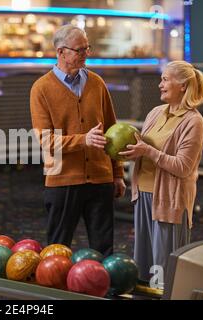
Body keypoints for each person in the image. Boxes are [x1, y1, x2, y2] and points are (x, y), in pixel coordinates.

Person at [30, 25, 125, 257]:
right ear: (61, 52)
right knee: (57, 250)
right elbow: (46, 140)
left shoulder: (97, 83)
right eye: (80, 50)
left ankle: (104, 292)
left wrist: (118, 174)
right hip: (63, 180)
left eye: (87, 48)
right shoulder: (41, 88)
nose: (86, 54)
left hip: (100, 178)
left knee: (104, 249)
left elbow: (113, 130)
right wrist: (84, 140)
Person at [119, 61, 203, 284]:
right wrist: (133, 153)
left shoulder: (193, 121)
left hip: (170, 200)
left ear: (183, 85)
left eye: (165, 79)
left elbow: (183, 167)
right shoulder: (155, 113)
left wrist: (148, 151)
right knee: (144, 265)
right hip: (143, 196)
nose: (160, 84)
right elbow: (144, 151)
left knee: (163, 269)